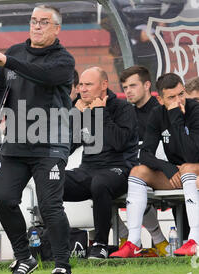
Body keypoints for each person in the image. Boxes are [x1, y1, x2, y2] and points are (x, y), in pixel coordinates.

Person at [0, 4, 75, 274]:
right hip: (15, 143)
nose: (36, 26)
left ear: (57, 28)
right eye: (33, 21)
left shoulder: (64, 60)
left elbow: (43, 75)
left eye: (44, 22)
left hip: (50, 144)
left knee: (50, 206)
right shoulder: (13, 53)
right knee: (3, 199)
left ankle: (63, 267)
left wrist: (8, 62)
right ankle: (24, 258)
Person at [110, 73, 199, 258]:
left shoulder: (195, 109)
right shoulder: (157, 113)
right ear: (160, 99)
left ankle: (195, 240)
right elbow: (144, 153)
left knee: (189, 167)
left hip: (194, 169)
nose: (179, 100)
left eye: (181, 94)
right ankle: (133, 243)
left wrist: (176, 118)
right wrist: (167, 168)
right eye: (172, 97)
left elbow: (192, 154)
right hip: (178, 173)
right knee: (138, 171)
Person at [63, 66, 139, 259]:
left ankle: (100, 243)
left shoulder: (123, 108)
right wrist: (77, 116)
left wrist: (99, 113)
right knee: (50, 179)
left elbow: (120, 142)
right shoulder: (78, 107)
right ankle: (58, 240)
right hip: (87, 169)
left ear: (104, 85)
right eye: (80, 85)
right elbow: (68, 145)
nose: (83, 89)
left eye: (89, 84)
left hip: (119, 169)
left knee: (100, 182)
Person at [119, 65, 169, 256]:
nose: (128, 91)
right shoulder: (125, 113)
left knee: (137, 179)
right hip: (134, 169)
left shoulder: (161, 111)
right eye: (125, 88)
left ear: (147, 85)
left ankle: (159, 242)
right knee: (98, 185)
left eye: (133, 86)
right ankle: (126, 238)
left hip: (161, 170)